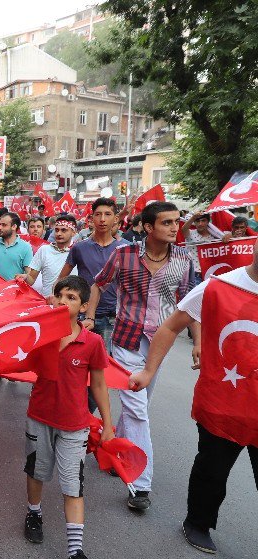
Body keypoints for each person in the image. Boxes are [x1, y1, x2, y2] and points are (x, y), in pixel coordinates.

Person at [0, 276, 114, 559]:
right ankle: (34, 513)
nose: (64, 302)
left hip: (75, 425)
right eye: (60, 296)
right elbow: (20, 362)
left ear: (83, 305)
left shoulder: (92, 342)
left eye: (71, 298)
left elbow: (100, 384)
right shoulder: (43, 337)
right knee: (36, 471)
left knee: (73, 484)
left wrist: (107, 423)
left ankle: (75, 553)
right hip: (39, 417)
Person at [128, 236, 258, 554]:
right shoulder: (218, 287)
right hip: (223, 405)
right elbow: (172, 326)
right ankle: (198, 523)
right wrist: (147, 372)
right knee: (212, 472)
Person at [87, 200, 196, 512]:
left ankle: (110, 450)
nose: (175, 227)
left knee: (141, 404)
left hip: (159, 343)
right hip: (127, 339)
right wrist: (92, 316)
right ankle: (140, 482)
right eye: (167, 223)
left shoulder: (183, 259)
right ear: (148, 228)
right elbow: (98, 285)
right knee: (137, 410)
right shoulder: (123, 255)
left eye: (177, 221)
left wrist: (198, 342)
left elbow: (188, 305)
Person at [57, 198, 128, 356]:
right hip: (82, 315)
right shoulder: (79, 248)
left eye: (108, 214)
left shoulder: (126, 249)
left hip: (114, 316)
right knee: (78, 359)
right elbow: (61, 279)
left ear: (116, 219)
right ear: (91, 218)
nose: (102, 219)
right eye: (98, 214)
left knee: (107, 364)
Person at [25, 217, 77, 297]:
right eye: (56, 230)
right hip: (48, 304)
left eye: (63, 230)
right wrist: (24, 277)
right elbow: (31, 278)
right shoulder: (44, 250)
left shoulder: (79, 251)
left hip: (71, 305)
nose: (59, 233)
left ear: (73, 232)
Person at [0, 212, 33, 281]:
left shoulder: (26, 247)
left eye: (4, 225)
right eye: (0, 224)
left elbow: (30, 277)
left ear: (14, 226)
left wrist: (25, 276)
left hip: (14, 290)